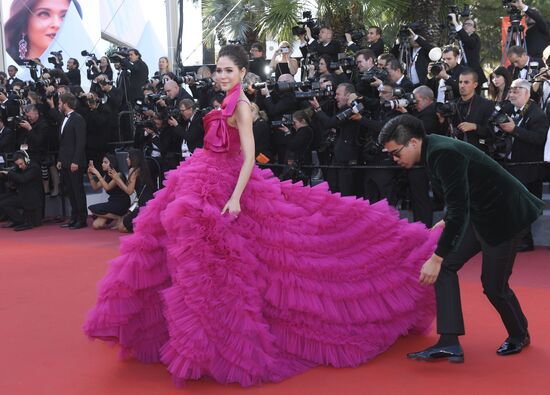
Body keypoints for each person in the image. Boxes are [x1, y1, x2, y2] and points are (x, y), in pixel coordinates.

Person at [84, 44, 441, 387]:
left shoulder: (241, 104)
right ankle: (185, 333)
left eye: (229, 70)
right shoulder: (223, 100)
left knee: (250, 259)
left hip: (229, 184)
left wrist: (237, 197)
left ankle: (215, 340)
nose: (222, 76)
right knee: (174, 245)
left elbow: (249, 157)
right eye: (219, 70)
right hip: (200, 175)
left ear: (243, 72)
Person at [379, 114, 544, 363]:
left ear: (413, 143)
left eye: (396, 153)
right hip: (481, 212)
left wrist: (436, 257)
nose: (394, 159)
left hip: (506, 217)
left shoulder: (442, 153)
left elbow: (458, 210)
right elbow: (462, 193)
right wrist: (448, 224)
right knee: (446, 267)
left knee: (493, 287)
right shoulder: (432, 149)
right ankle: (449, 342)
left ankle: (519, 334)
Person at [4, 0, 82, 64]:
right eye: (44, 14)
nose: (57, 24)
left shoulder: (82, 63)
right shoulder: (7, 63)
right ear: (23, 26)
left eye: (65, 15)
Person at [57, 92, 87, 229]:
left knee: (77, 191)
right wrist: (60, 160)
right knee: (70, 191)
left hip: (75, 162)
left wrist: (75, 161)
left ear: (66, 104)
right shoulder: (64, 119)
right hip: (65, 161)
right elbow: (63, 143)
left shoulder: (78, 119)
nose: (58, 105)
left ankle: (82, 219)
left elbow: (80, 142)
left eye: (59, 103)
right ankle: (74, 217)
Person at [113, 148, 155, 233]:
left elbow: (129, 191)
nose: (126, 159)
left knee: (122, 226)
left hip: (144, 204)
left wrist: (117, 179)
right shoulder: (143, 169)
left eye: (128, 157)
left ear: (134, 158)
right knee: (122, 225)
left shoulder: (133, 170)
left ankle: (141, 229)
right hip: (150, 202)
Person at [0, 150, 43, 231]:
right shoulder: (20, 168)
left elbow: (23, 179)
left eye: (21, 164)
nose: (20, 166)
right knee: (2, 200)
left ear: (26, 160)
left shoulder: (34, 167)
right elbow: (16, 178)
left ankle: (21, 221)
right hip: (23, 195)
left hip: (31, 200)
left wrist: (9, 173)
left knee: (3, 204)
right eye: (18, 164)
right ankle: (17, 220)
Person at [87, 154, 130, 230]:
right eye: (102, 162)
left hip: (121, 203)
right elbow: (95, 187)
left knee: (93, 208)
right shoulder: (106, 175)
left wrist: (97, 173)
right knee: (96, 225)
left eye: (105, 162)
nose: (102, 164)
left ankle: (119, 217)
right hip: (112, 202)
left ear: (112, 163)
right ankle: (119, 217)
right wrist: (90, 176)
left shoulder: (118, 174)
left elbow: (107, 188)